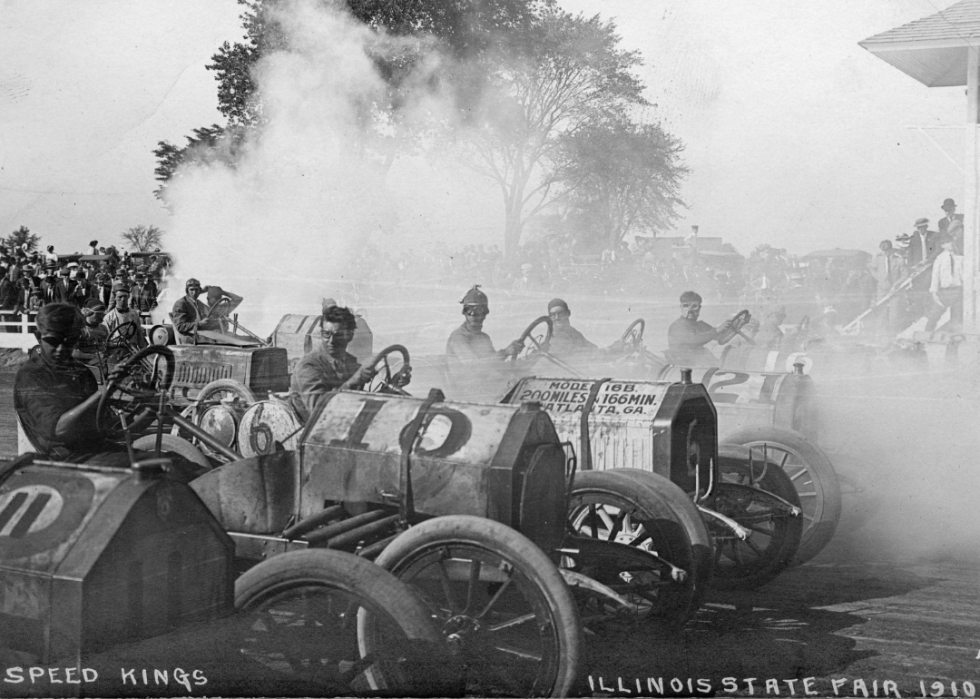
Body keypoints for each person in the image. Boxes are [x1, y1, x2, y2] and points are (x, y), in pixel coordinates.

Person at [288, 305, 393, 422]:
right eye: (326, 334)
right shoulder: (308, 366)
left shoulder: (349, 362)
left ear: (350, 335)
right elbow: (319, 411)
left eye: (338, 335)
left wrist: (390, 388)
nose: (331, 341)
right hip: (313, 430)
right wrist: (354, 381)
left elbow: (357, 399)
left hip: (341, 422)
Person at [446, 286, 522, 366]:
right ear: (464, 313)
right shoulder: (459, 337)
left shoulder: (484, 337)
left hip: (487, 378)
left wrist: (513, 349)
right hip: (467, 378)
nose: (472, 314)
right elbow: (474, 366)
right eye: (468, 310)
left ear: (485, 313)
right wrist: (505, 353)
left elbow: (494, 365)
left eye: (478, 310)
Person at [665, 290, 734, 366]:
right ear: (681, 307)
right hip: (685, 365)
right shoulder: (677, 326)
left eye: (694, 306)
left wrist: (733, 328)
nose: (690, 310)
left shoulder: (701, 325)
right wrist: (717, 330)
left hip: (699, 361)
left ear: (699, 308)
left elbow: (721, 338)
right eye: (686, 306)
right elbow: (693, 340)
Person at [869, 240, 908, 336]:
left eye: (887, 250)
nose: (885, 253)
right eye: (883, 251)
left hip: (895, 291)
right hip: (881, 290)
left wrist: (895, 285)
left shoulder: (899, 260)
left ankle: (893, 336)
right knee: (881, 313)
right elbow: (871, 269)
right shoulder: (878, 260)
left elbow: (905, 275)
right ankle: (881, 336)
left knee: (894, 315)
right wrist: (879, 278)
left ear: (891, 250)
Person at [927, 234, 963, 331]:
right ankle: (925, 336)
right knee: (934, 314)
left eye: (951, 241)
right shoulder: (940, 259)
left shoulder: (960, 258)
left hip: (958, 291)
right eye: (947, 242)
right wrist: (934, 293)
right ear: (942, 245)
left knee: (957, 317)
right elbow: (935, 277)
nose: (950, 243)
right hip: (945, 291)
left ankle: (954, 339)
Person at [171, 278, 220, 343]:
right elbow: (180, 326)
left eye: (196, 290)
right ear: (187, 290)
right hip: (190, 337)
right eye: (191, 290)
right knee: (219, 340)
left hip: (200, 333)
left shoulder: (198, 303)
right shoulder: (181, 303)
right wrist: (199, 324)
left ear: (199, 290)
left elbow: (211, 313)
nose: (194, 292)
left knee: (223, 334)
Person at [103, 285, 147, 352]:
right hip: (116, 350)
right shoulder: (109, 317)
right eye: (120, 297)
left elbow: (139, 334)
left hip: (133, 349)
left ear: (128, 297)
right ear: (115, 298)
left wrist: (143, 351)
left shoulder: (134, 314)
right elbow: (105, 339)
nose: (123, 299)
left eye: (125, 296)